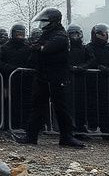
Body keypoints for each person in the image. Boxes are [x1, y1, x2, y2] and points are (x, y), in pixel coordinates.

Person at [16, 8, 84, 148]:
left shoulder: (60, 35)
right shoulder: (47, 34)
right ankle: (31, 135)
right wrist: (37, 47)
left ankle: (67, 137)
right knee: (37, 106)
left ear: (53, 21)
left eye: (45, 22)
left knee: (61, 108)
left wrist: (38, 47)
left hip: (57, 77)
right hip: (43, 76)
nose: (42, 24)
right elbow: (35, 49)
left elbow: (45, 49)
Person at [86, 23, 109, 137]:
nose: (105, 36)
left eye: (106, 34)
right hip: (94, 82)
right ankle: (97, 126)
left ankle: (108, 128)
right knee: (95, 105)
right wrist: (99, 67)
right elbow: (91, 61)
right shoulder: (89, 47)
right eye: (103, 34)